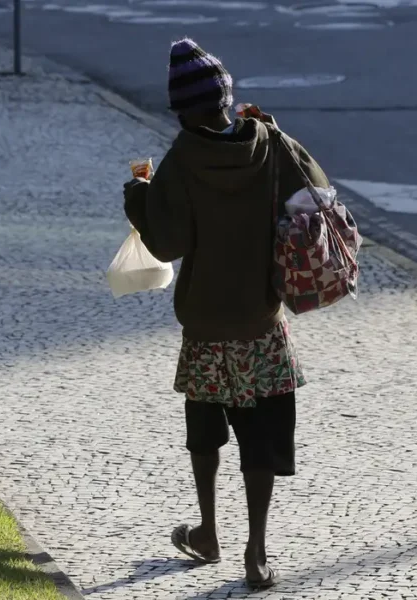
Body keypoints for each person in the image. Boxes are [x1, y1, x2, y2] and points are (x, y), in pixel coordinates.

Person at [122, 38, 330, 590]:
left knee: (205, 432)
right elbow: (319, 190)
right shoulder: (268, 143)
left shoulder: (181, 161)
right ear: (225, 99)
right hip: (261, 322)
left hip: (207, 326)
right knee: (261, 437)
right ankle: (255, 552)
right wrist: (277, 130)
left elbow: (167, 244)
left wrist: (138, 197)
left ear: (181, 111)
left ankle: (209, 531)